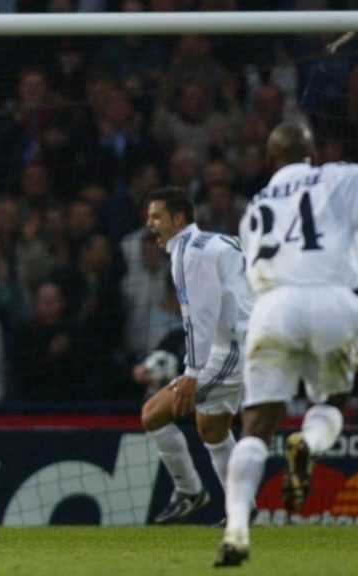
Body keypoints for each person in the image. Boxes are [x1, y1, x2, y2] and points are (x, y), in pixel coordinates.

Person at [215, 123, 358, 566]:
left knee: (256, 425)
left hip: (274, 307)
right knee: (331, 402)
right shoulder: (339, 177)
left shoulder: (254, 208)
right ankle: (309, 444)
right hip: (333, 298)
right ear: (312, 154)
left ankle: (236, 531)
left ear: (270, 159)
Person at [140, 186, 253, 525]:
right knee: (212, 429)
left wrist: (191, 373)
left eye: (156, 216)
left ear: (178, 218)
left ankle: (189, 491)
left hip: (230, 349)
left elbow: (199, 317)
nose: (149, 223)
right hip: (241, 341)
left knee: (153, 414)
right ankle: (243, 509)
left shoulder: (190, 254)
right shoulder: (214, 241)